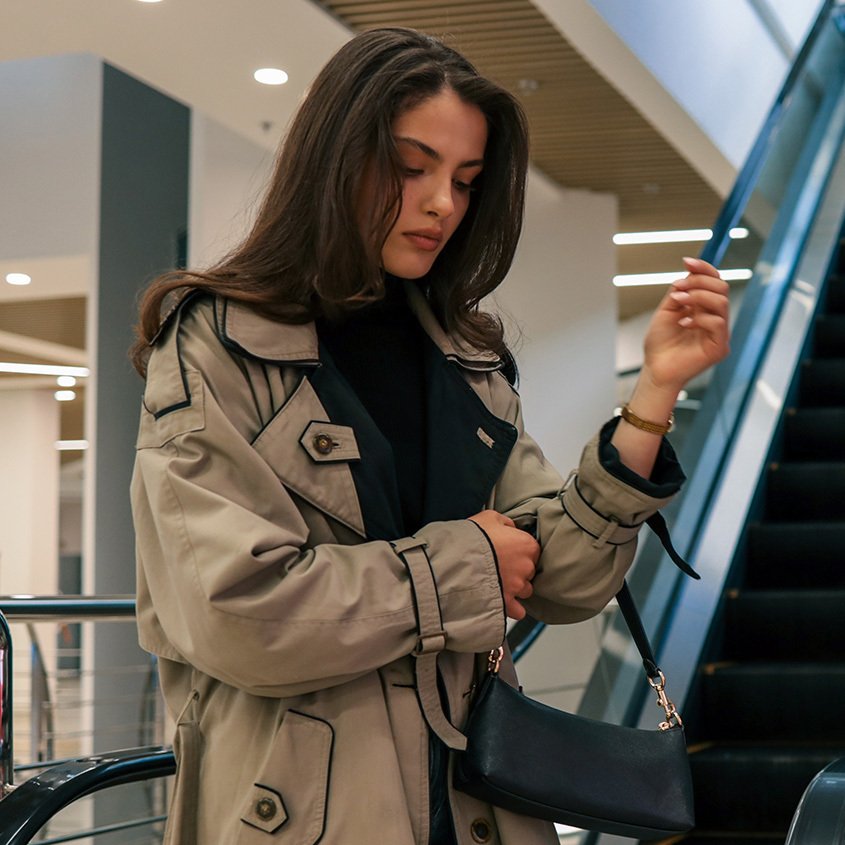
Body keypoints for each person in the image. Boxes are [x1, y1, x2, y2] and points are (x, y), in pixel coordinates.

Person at [130, 26, 729, 845]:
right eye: (410, 168)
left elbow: (563, 578)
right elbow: (235, 614)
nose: (443, 202)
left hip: (482, 805)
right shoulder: (219, 344)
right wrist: (467, 565)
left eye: (465, 180)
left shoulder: (463, 355)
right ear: (334, 159)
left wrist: (655, 389)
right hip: (302, 817)